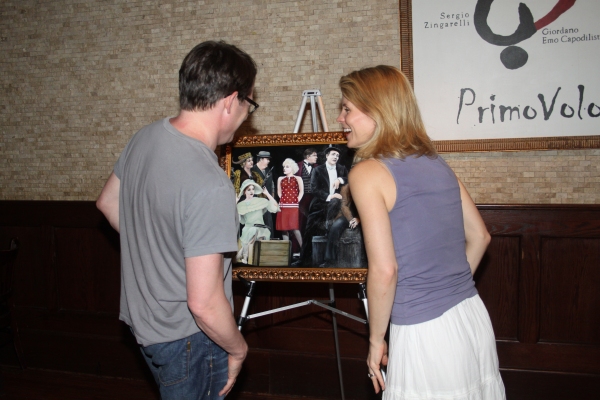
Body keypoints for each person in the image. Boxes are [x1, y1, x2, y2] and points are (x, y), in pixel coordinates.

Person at [96, 40, 259, 399]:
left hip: (146, 327)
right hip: (190, 340)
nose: (248, 114)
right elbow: (203, 304)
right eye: (249, 103)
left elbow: (108, 203)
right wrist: (238, 348)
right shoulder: (210, 181)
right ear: (231, 101)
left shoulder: (144, 137)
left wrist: (164, 247)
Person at [337, 65, 505, 399]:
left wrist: (375, 340)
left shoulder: (367, 173)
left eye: (346, 109)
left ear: (377, 112)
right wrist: (444, 288)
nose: (340, 119)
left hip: (426, 332)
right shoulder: (436, 162)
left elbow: (385, 269)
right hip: (470, 315)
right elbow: (481, 236)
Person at [293, 146, 348, 266]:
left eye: (337, 156)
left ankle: (329, 261)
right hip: (320, 204)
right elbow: (314, 188)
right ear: (327, 156)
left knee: (332, 228)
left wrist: (340, 179)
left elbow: (349, 179)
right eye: (333, 154)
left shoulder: (342, 169)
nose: (335, 157)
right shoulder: (318, 170)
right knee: (309, 230)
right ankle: (303, 260)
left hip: (337, 206)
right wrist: (329, 196)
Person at [236, 179, 279, 264]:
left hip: (262, 229)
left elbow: (275, 208)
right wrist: (236, 202)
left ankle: (244, 254)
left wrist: (267, 194)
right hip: (248, 229)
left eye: (253, 189)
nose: (252, 191)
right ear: (244, 192)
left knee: (256, 230)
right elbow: (238, 220)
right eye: (249, 190)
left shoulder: (260, 201)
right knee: (252, 230)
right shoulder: (240, 205)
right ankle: (245, 255)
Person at [319, 183, 360, 268]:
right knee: (336, 226)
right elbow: (343, 206)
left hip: (363, 217)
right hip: (347, 216)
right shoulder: (345, 188)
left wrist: (358, 219)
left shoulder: (368, 188)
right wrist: (351, 219)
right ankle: (330, 260)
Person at [276, 158, 304, 250]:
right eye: (284, 167)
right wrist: (283, 201)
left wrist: (296, 201)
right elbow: (279, 192)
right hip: (283, 206)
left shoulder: (298, 178)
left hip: (293, 206)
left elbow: (301, 192)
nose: (284, 168)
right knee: (284, 229)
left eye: (287, 166)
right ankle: (286, 253)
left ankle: (303, 250)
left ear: (292, 168)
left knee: (295, 228)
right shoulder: (280, 179)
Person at [295, 148, 318, 237]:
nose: (316, 157)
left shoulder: (317, 167)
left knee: (312, 220)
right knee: (300, 220)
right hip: (301, 198)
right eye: (314, 155)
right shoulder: (297, 166)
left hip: (314, 198)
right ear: (308, 157)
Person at [251, 151, 275, 233]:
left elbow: (272, 186)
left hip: (267, 202)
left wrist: (272, 199)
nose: (268, 161)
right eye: (267, 159)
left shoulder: (269, 171)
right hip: (255, 203)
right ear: (261, 159)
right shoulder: (252, 170)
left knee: (268, 224)